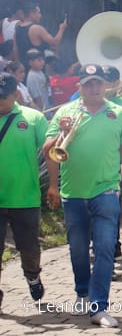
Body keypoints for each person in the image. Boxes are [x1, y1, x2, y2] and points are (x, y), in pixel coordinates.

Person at [42, 64, 122, 328]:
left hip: (106, 191)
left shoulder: (118, 114)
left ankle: (99, 307)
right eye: (88, 84)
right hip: (72, 193)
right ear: (80, 87)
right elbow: (47, 150)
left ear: (106, 85)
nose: (94, 88)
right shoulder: (65, 112)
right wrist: (61, 134)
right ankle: (81, 292)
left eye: (98, 83)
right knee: (77, 250)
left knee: (105, 248)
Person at [0, 72, 49, 312]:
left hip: (25, 198)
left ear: (15, 95)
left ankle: (32, 276)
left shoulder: (34, 118)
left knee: (29, 248)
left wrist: (53, 185)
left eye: (3, 98)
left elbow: (51, 149)